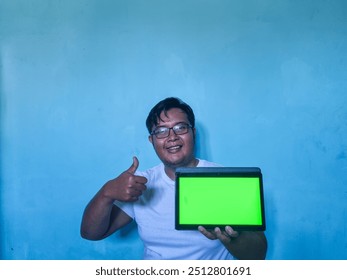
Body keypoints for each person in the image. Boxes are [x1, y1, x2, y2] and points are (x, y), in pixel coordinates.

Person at [80, 97, 267, 260]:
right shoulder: (140, 184)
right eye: (161, 131)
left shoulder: (224, 179)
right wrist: (107, 193)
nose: (172, 137)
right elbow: (91, 233)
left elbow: (258, 255)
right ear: (151, 140)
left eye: (180, 128)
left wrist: (231, 237)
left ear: (193, 133)